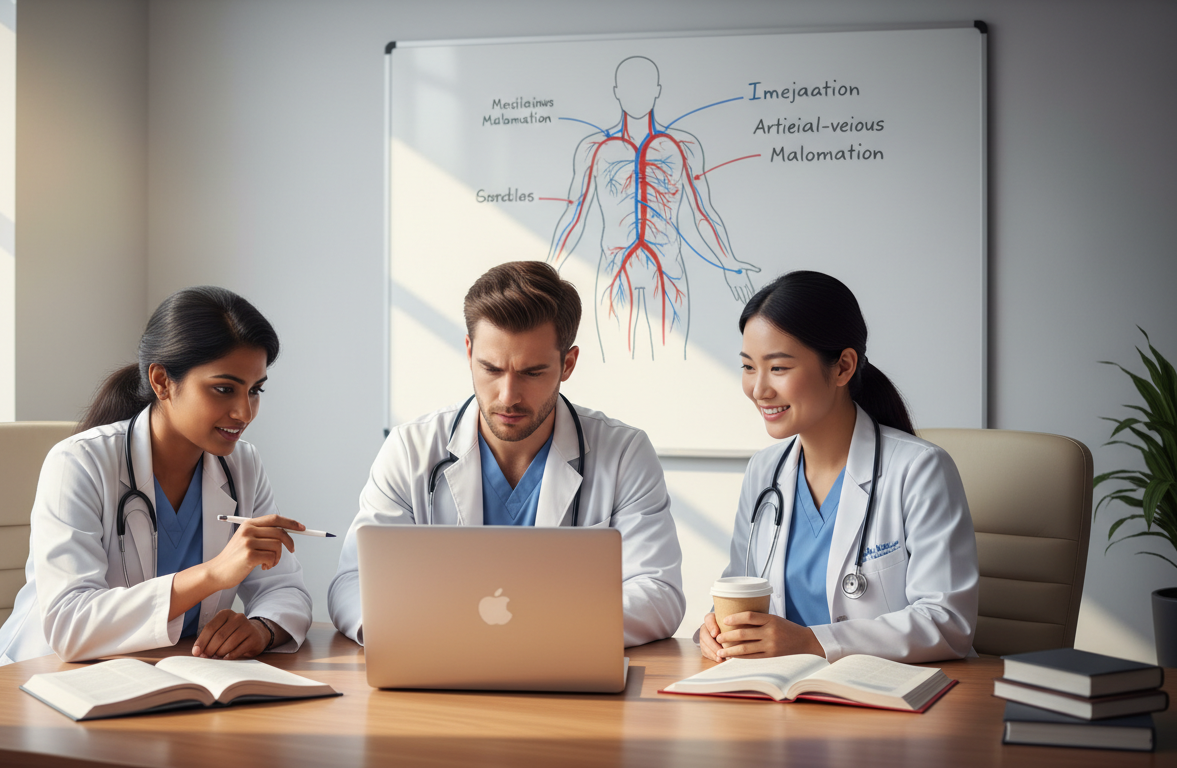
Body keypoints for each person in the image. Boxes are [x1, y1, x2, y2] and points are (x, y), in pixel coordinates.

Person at [328, 261, 685, 647]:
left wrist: (523, 633)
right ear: (469, 353)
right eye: (492, 369)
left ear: (567, 364)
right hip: (440, 665)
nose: (508, 396)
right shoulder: (410, 450)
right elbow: (353, 583)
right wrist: (418, 634)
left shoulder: (625, 454)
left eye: (532, 373)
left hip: (562, 669)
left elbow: (658, 592)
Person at [0, 287, 312, 668]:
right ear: (162, 381)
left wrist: (261, 629)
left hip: (165, 678)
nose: (244, 412)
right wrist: (212, 575)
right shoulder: (79, 463)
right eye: (224, 389)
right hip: (43, 678)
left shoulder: (243, 466)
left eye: (255, 390)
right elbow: (70, 624)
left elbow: (286, 589)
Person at [698, 270, 978, 664]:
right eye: (748, 367)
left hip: (884, 691)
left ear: (843, 367)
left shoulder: (919, 470)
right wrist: (717, 626)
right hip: (781, 688)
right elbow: (741, 587)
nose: (758, 389)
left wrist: (813, 641)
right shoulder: (764, 472)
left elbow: (947, 623)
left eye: (778, 368)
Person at [546, 55, 759, 361]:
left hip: (667, 266)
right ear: (617, 91)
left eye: (644, 87)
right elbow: (574, 216)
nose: (636, 95)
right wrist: (547, 275)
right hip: (615, 268)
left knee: (673, 359)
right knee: (614, 361)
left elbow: (703, 212)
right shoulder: (594, 149)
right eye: (629, 87)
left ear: (657, 90)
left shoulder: (682, 146)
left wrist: (729, 263)